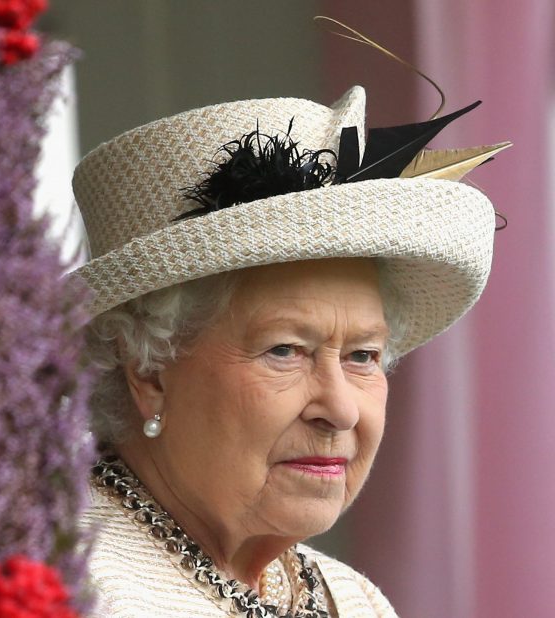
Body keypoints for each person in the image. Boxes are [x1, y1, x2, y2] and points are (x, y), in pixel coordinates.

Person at [73, 85, 503, 617]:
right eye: (286, 351)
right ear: (148, 369)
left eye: (363, 356)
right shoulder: (62, 587)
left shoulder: (357, 601)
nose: (341, 410)